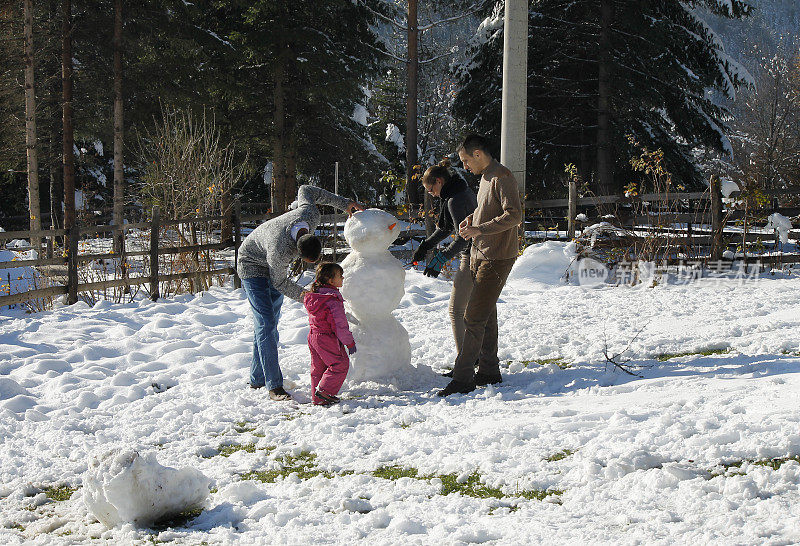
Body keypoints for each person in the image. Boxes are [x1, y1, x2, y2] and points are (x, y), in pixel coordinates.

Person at [237, 185, 364, 401]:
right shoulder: (281, 250)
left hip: (271, 263)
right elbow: (279, 282)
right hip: (251, 264)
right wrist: (309, 297)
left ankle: (257, 377)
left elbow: (307, 189)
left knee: (267, 325)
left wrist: (346, 204)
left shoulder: (310, 215)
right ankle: (274, 387)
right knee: (266, 324)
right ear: (297, 252)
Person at [438, 134, 522, 397]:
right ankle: (488, 370)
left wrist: (479, 229)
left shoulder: (502, 176)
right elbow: (488, 208)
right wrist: (470, 219)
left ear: (477, 154)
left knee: (473, 317)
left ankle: (463, 378)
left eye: (465, 161)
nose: (465, 167)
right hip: (480, 254)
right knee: (487, 316)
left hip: (497, 256)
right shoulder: (485, 177)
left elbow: (514, 215)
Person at [412, 159, 478, 364]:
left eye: (430, 188)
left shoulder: (454, 200)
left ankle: (464, 364)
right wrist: (426, 246)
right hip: (478, 254)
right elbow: (447, 228)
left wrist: (440, 259)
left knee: (456, 311)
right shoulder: (459, 191)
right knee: (471, 312)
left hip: (472, 256)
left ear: (439, 182)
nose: (431, 193)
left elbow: (463, 237)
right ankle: (475, 359)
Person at [303, 262, 356, 406]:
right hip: (327, 337)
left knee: (318, 368)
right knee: (340, 365)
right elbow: (340, 325)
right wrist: (349, 342)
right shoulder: (332, 299)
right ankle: (325, 392)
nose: (343, 278)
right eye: (340, 275)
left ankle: (318, 398)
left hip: (313, 336)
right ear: (330, 280)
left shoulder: (315, 296)